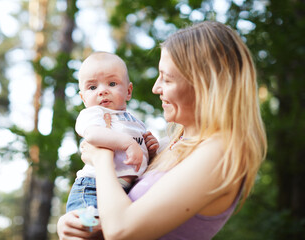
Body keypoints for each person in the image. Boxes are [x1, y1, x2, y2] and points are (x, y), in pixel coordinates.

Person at [57, 21, 267, 240]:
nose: (156, 88)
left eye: (166, 78)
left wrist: (101, 157)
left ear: (204, 83)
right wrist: (72, 222)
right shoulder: (167, 146)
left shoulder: (220, 153)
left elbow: (120, 231)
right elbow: (115, 211)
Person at [66, 51, 159, 214]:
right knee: (88, 230)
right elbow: (93, 135)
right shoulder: (94, 114)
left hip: (124, 190)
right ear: (83, 98)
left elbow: (137, 156)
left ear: (128, 91)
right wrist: (128, 143)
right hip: (92, 187)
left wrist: (150, 149)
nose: (102, 91)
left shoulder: (135, 123)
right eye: (93, 87)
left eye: (112, 84)